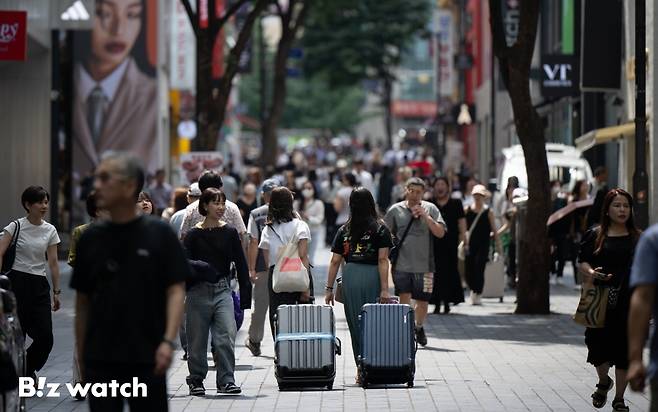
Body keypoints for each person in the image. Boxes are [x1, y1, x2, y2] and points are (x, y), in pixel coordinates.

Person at [71, 152, 188, 410]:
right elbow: (82, 303)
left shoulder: (160, 234)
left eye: (105, 178)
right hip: (101, 359)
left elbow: (176, 290)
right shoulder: (89, 239)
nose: (96, 185)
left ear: (129, 186)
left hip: (148, 356)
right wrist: (83, 358)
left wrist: (168, 342)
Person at [73, 0, 159, 177]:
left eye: (132, 14)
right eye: (104, 14)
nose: (119, 29)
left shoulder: (154, 97)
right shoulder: (59, 85)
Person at [183, 188, 251, 396]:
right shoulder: (193, 234)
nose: (221, 208)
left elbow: (240, 262)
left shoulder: (230, 232)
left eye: (222, 203)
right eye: (215, 203)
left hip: (223, 290)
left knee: (225, 337)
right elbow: (183, 262)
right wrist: (201, 268)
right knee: (197, 340)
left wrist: (245, 296)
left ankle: (226, 380)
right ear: (204, 206)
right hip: (197, 292)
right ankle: (196, 380)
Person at [578, 188, 640, 412]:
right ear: (607, 210)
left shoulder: (637, 238)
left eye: (626, 206)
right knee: (596, 348)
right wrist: (592, 273)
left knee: (623, 350)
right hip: (598, 299)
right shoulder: (595, 235)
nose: (622, 210)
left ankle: (619, 399)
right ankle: (604, 381)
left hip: (628, 302)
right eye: (617, 205)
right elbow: (582, 261)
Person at [325, 187, 392, 383]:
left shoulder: (344, 230)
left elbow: (335, 261)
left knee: (355, 325)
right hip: (373, 276)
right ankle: (374, 365)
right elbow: (383, 260)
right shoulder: (381, 229)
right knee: (374, 323)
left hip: (351, 277)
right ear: (372, 203)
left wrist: (328, 289)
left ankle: (360, 368)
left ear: (351, 205)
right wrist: (385, 289)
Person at [0, 186, 61, 379]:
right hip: (16, 282)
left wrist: (56, 292)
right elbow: (0, 253)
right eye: (39, 202)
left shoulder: (50, 229)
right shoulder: (15, 226)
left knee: (46, 338)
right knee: (19, 334)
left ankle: (26, 369)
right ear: (27, 204)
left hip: (39, 285)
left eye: (46, 202)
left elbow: (53, 262)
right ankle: (21, 374)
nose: (44, 206)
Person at [384, 177, 446, 346]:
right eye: (412, 190)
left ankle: (418, 327)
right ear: (406, 190)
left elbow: (440, 232)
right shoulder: (395, 210)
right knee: (404, 299)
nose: (415, 195)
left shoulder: (431, 208)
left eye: (419, 192)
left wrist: (426, 216)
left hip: (425, 265)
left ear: (424, 192)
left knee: (423, 302)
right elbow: (384, 234)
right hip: (401, 265)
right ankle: (407, 331)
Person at [67, 191, 108, 398]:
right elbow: (73, 258)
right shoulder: (81, 232)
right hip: (89, 292)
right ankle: (80, 381)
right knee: (82, 337)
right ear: (95, 210)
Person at [259, 187, 313, 335]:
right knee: (302, 315)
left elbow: (266, 259)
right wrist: (306, 287)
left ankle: (280, 349)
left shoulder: (268, 228)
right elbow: (302, 256)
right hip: (298, 272)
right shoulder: (300, 225)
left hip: (277, 275)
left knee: (277, 314)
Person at [244, 179, 279, 357]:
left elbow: (253, 241)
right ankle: (283, 341)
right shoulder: (293, 214)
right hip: (286, 267)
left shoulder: (256, 214)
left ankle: (255, 341)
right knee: (284, 305)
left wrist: (251, 268)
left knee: (260, 306)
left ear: (263, 195)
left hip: (263, 267)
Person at [628, 223, 658, 409]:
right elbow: (643, 298)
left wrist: (636, 359)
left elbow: (643, 298)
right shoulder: (653, 239)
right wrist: (635, 359)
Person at [430, 177, 465, 314]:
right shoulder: (430, 204)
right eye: (437, 184)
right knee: (435, 274)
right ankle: (437, 303)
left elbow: (462, 223)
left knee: (450, 272)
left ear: (447, 187)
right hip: (434, 244)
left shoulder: (456, 203)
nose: (440, 187)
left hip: (451, 244)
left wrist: (463, 239)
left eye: (442, 184)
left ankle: (448, 303)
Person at [179, 171, 246, 240]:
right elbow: (241, 234)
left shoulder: (191, 209)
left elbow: (183, 235)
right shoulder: (232, 208)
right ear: (220, 187)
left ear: (200, 187)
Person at [463, 184, 500, 305]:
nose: (477, 197)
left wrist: (498, 245)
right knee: (468, 269)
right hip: (470, 244)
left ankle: (478, 292)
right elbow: (463, 228)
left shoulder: (489, 211)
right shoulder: (467, 210)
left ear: (484, 197)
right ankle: (472, 289)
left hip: (484, 244)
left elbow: (494, 229)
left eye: (480, 195)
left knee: (479, 267)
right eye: (476, 195)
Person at [295, 181, 325, 265]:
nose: (306, 190)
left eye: (309, 188)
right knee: (299, 257)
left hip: (313, 233)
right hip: (299, 234)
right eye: (304, 188)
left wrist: (308, 217)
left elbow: (319, 220)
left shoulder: (318, 203)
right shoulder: (297, 203)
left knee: (310, 258)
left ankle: (309, 276)